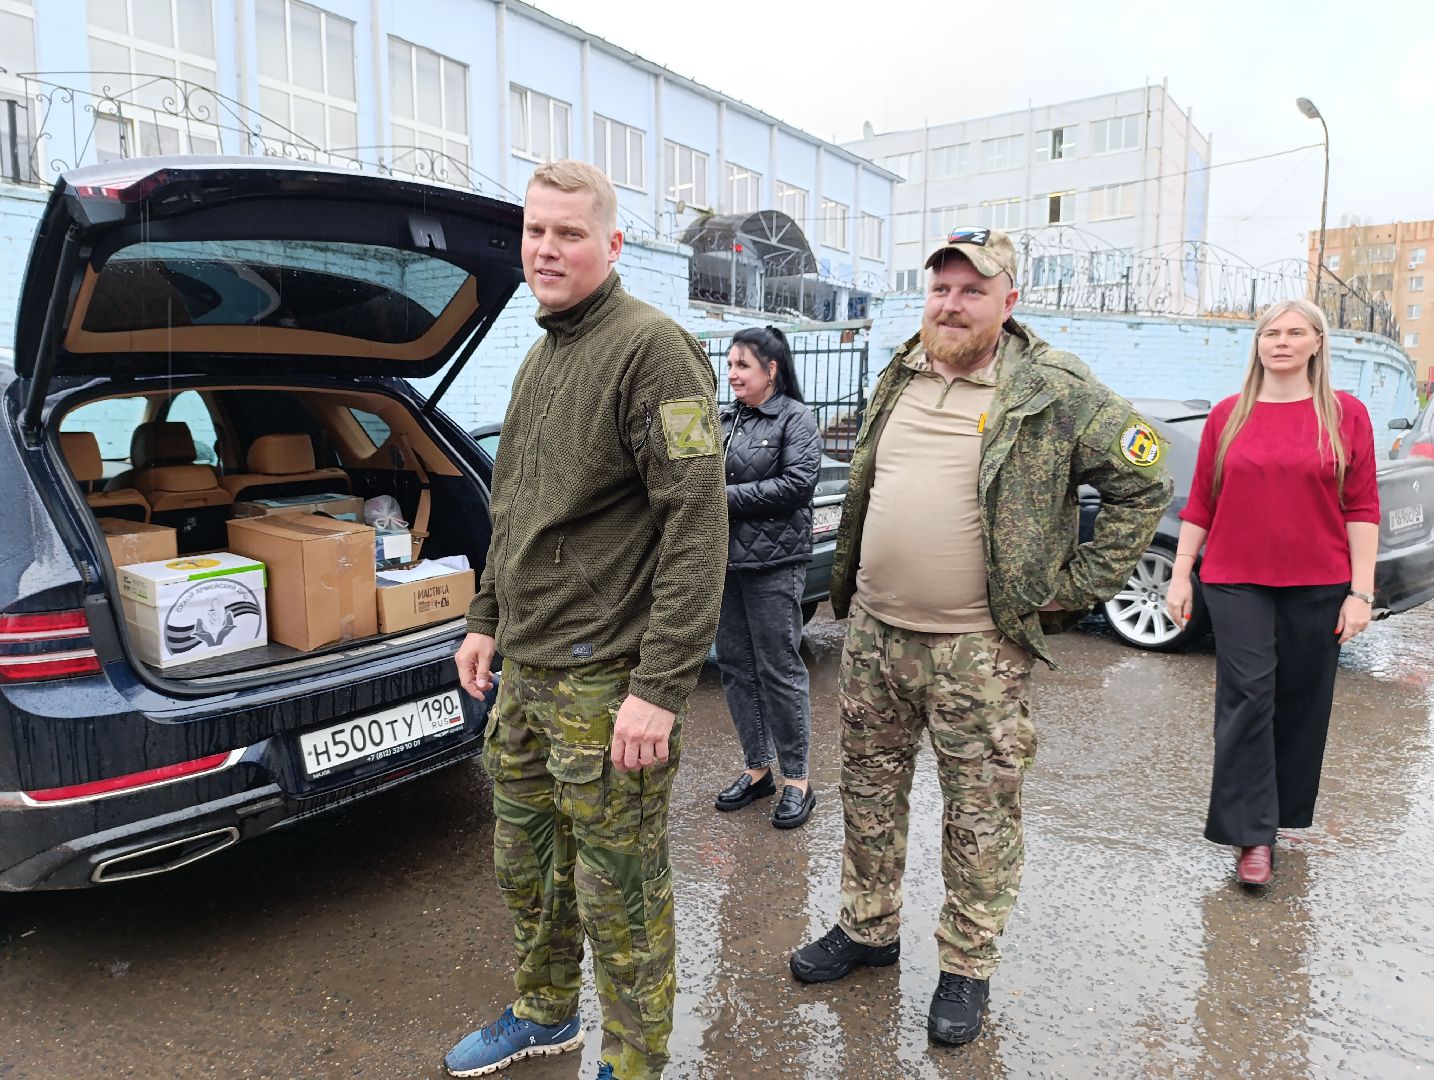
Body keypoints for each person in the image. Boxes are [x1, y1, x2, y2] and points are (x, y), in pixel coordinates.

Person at [788, 227, 1171, 1046]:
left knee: (980, 815)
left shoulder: (1053, 389)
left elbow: (1145, 481)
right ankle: (867, 927)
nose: (952, 304)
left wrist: (1072, 592)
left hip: (978, 651)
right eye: (941, 288)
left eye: (971, 290)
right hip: (876, 636)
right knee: (867, 793)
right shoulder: (901, 367)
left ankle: (966, 965)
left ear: (1009, 301)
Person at [446, 160, 727, 1080]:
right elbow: (518, 505)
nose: (547, 248)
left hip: (607, 682)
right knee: (526, 867)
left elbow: (697, 522)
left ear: (611, 244)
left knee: (621, 890)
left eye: (570, 233)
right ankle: (544, 1013)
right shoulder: (541, 353)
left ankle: (637, 1062)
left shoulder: (656, 351)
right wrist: (486, 613)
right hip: (526, 674)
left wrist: (660, 688)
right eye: (536, 230)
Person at [1166, 298, 1378, 888]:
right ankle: (1251, 835)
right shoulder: (1230, 415)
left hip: (1319, 582)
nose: (1279, 342)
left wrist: (1360, 591)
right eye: (1269, 333)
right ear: (1258, 344)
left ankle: (1280, 815)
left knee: (1301, 700)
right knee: (1249, 697)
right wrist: (1181, 573)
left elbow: (1361, 506)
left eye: (1294, 332)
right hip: (1236, 580)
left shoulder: (1345, 415)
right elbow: (1201, 502)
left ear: (1317, 343)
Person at [713, 325, 823, 828]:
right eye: (730, 364)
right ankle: (758, 770)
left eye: (743, 365)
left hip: (775, 565)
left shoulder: (796, 419)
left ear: (771, 370)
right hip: (725, 564)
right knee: (736, 667)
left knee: (779, 668)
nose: (732, 374)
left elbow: (797, 486)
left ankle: (797, 779)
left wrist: (722, 500)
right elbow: (694, 472)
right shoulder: (722, 420)